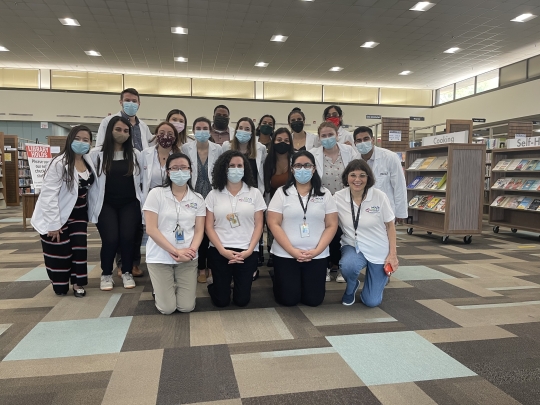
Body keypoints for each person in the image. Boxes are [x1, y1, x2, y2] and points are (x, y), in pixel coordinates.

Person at [31, 126, 96, 297]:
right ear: (70, 139)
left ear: (90, 143)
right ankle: (60, 284)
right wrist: (53, 224)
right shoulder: (59, 163)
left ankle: (78, 283)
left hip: (79, 215)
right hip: (58, 214)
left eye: (86, 140)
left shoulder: (88, 160)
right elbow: (48, 196)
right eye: (78, 138)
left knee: (79, 250)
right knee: (61, 251)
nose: (81, 143)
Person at [267, 151, 338, 306]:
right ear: (292, 169)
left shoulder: (325, 194)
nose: (303, 169)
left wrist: (317, 251)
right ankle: (279, 276)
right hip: (286, 254)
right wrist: (292, 251)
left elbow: (331, 225)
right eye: (298, 165)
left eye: (307, 165)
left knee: (313, 301)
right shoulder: (282, 192)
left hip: (316, 255)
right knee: (288, 300)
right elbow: (273, 223)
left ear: (314, 169)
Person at [95, 88, 149, 276]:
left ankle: (130, 268)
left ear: (139, 103)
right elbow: (99, 148)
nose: (131, 103)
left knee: (130, 236)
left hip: (131, 193)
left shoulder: (142, 130)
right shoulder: (99, 152)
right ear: (121, 101)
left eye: (134, 100)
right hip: (107, 199)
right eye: (127, 100)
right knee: (111, 237)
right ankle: (111, 271)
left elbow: (147, 152)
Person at [143, 152, 206, 314]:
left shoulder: (198, 198)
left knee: (186, 307)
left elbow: (199, 230)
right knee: (167, 309)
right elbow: (151, 229)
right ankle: (160, 290)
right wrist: (176, 251)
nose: (180, 172)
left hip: (188, 258)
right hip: (160, 257)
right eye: (175, 168)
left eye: (183, 168)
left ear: (190, 171)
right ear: (168, 172)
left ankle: (167, 288)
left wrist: (191, 251)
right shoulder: (156, 194)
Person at [204, 150, 267, 307]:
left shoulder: (254, 193)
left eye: (240, 165)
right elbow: (208, 226)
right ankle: (215, 286)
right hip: (220, 250)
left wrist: (250, 250)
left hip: (247, 250)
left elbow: (259, 224)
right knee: (221, 301)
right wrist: (222, 251)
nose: (236, 169)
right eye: (231, 165)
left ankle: (234, 283)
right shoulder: (213, 194)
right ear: (223, 168)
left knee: (242, 301)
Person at [88, 116, 144, 291]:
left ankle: (126, 271)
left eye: (126, 131)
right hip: (106, 204)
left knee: (128, 239)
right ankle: (106, 274)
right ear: (110, 131)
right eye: (118, 130)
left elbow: (142, 179)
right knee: (111, 239)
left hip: (130, 203)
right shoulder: (96, 154)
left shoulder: (136, 154)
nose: (122, 134)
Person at [334, 159, 398, 307]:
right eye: (353, 175)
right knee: (348, 265)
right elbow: (328, 222)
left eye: (362, 175)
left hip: (378, 248)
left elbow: (390, 226)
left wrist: (392, 254)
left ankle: (373, 285)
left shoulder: (379, 196)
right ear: (346, 177)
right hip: (353, 245)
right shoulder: (338, 198)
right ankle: (351, 287)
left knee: (371, 302)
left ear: (368, 178)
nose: (357, 179)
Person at [309, 122, 359, 282]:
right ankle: (322, 265)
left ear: (337, 135)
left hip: (344, 201)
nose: (327, 138)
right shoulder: (313, 153)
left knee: (341, 234)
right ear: (319, 138)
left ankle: (337, 266)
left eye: (330, 134)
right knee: (322, 234)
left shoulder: (349, 151)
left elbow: (356, 173)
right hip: (321, 201)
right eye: (323, 136)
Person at [221, 117, 267, 273]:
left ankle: (251, 262)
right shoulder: (226, 146)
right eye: (241, 127)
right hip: (231, 192)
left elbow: (261, 172)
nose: (244, 131)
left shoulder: (259, 148)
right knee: (232, 227)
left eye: (247, 129)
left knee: (253, 227)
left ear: (253, 132)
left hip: (252, 195)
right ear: (235, 129)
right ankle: (230, 257)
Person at [181, 117, 223, 284]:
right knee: (197, 232)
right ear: (193, 130)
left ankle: (211, 266)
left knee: (212, 231)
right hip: (194, 194)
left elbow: (219, 172)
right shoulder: (186, 148)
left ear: (210, 130)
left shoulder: (217, 149)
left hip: (212, 195)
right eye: (198, 128)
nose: (202, 131)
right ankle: (200, 268)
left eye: (205, 128)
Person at [353, 126, 408, 221]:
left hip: (385, 210)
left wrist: (400, 212)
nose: (363, 143)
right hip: (362, 210)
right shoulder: (354, 161)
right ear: (355, 143)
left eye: (366, 139)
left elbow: (399, 186)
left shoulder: (390, 157)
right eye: (359, 140)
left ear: (373, 139)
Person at [262, 128, 294, 267]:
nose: (283, 143)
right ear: (273, 141)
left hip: (292, 201)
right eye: (279, 140)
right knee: (272, 229)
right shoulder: (268, 161)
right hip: (273, 201)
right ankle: (272, 253)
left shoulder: (295, 159)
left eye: (286, 140)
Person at [141, 122, 181, 202]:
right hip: (151, 198)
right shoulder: (145, 154)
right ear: (156, 135)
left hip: (172, 198)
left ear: (175, 137)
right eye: (162, 133)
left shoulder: (180, 156)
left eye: (170, 134)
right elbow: (140, 179)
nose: (166, 136)